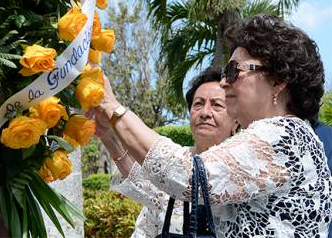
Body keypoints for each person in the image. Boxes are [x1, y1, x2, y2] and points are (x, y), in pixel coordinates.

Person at [89, 14, 332, 237]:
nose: (225, 82)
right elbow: (162, 191)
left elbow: (186, 176)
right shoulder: (279, 138)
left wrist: (113, 107)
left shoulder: (283, 136)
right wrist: (108, 133)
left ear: (278, 80)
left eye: (234, 70)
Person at [94, 68, 237, 237]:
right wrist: (106, 135)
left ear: (236, 121)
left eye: (217, 105)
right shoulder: (172, 167)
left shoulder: (243, 165)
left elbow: (176, 171)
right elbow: (147, 190)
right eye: (198, 104)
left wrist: (111, 106)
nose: (205, 113)